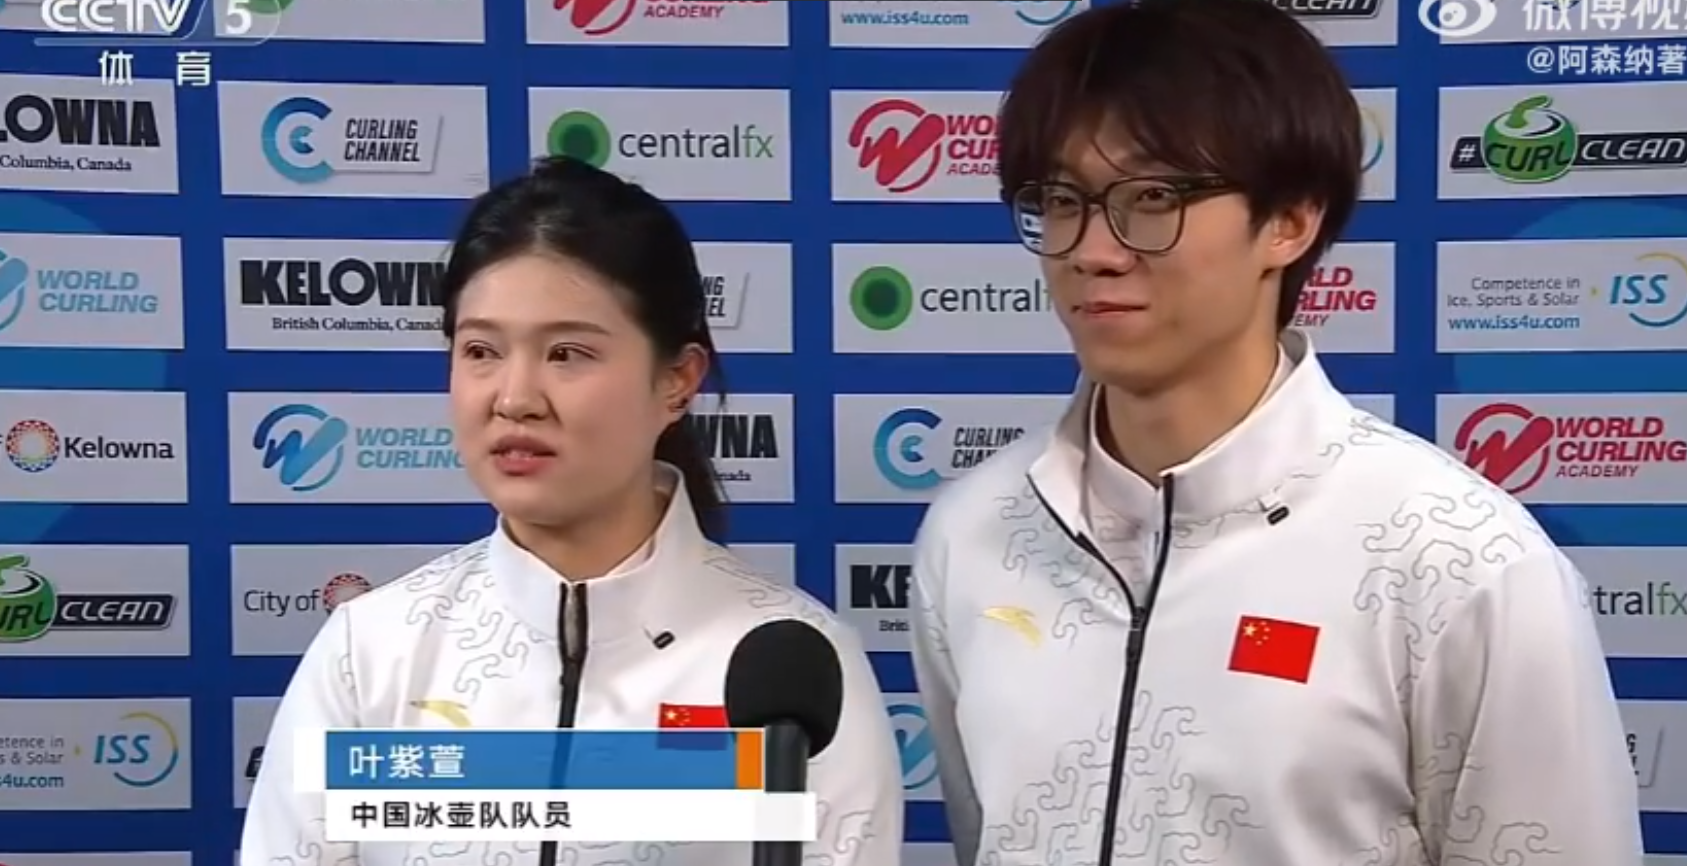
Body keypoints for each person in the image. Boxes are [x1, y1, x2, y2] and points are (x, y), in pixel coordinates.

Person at [907, 1, 1643, 865]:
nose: (1092, 250)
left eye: (1153, 198)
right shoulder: (972, 531)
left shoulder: (1459, 560)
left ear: (1290, 220)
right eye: (1061, 200)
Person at [242, 156, 903, 866]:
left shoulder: (795, 668)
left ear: (677, 380)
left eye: (567, 353)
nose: (515, 398)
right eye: (480, 350)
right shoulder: (370, 652)